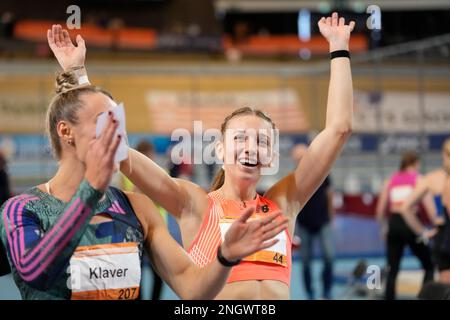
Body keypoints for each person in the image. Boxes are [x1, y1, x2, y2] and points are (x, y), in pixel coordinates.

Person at [48, 12, 355, 299]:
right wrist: (77, 75)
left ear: (270, 154)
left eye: (262, 140)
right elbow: (120, 150)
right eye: (240, 138)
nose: (251, 146)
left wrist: (339, 49)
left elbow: (339, 129)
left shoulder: (283, 204)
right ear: (220, 150)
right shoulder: (194, 203)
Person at [0, 68, 288, 300]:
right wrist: (91, 190)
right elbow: (35, 270)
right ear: (66, 132)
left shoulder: (136, 207)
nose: (117, 135)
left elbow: (192, 287)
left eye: (119, 124)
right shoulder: (23, 209)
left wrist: (224, 256)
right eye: (105, 123)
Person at [375, 151, 435, 300]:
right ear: (416, 164)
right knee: (429, 265)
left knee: (392, 269)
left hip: (394, 224)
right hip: (411, 222)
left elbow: (380, 210)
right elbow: (430, 208)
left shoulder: (391, 180)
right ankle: (425, 297)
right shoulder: (419, 179)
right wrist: (431, 229)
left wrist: (383, 228)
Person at [401, 138, 450, 284]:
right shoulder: (438, 180)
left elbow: (405, 207)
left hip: (443, 236)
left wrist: (423, 231)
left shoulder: (431, 178)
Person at [292, 144, 335, 300]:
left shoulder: (322, 171)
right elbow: (292, 201)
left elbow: (330, 194)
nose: (300, 160)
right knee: (305, 262)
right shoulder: (294, 176)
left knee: (329, 257)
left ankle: (327, 291)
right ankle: (310, 293)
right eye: (297, 158)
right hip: (304, 224)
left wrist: (331, 217)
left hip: (324, 221)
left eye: (302, 157)